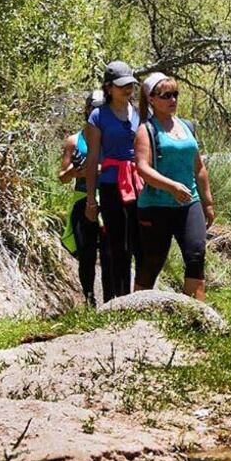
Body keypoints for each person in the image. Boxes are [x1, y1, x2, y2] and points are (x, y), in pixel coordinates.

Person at [133, 73, 215, 300]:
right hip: (155, 205)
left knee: (196, 253)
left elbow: (198, 167)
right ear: (151, 99)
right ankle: (137, 311)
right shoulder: (146, 130)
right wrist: (171, 187)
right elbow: (143, 168)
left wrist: (207, 202)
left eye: (175, 94)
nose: (173, 100)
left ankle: (194, 312)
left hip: (189, 202)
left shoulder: (186, 126)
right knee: (153, 260)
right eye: (166, 95)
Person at [83, 61, 143, 299]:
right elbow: (92, 157)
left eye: (130, 84)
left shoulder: (139, 112)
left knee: (138, 243)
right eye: (121, 86)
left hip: (138, 183)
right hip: (110, 184)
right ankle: (115, 299)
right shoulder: (99, 116)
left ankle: (135, 297)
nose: (127, 89)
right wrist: (90, 199)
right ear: (108, 88)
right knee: (117, 244)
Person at [58, 90, 112, 306]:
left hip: (108, 197)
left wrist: (96, 169)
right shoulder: (74, 141)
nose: (96, 112)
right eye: (93, 108)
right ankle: (89, 297)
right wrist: (75, 171)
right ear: (86, 109)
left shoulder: (112, 138)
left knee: (109, 252)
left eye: (100, 108)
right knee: (86, 252)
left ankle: (112, 299)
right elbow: (62, 177)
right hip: (82, 199)